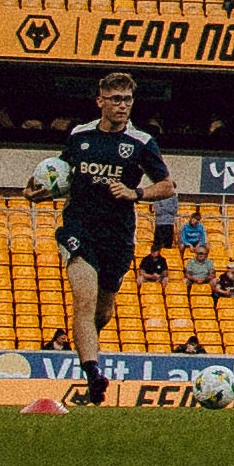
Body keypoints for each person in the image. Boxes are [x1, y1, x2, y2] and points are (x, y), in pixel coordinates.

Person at [55, 73, 173, 374]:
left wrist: (136, 193)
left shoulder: (142, 142)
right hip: (79, 227)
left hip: (117, 235)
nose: (123, 106)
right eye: (116, 99)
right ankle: (93, 372)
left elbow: (167, 186)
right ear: (100, 101)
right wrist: (38, 190)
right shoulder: (80, 135)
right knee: (85, 298)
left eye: (128, 100)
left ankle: (86, 342)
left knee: (102, 310)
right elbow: (61, 176)